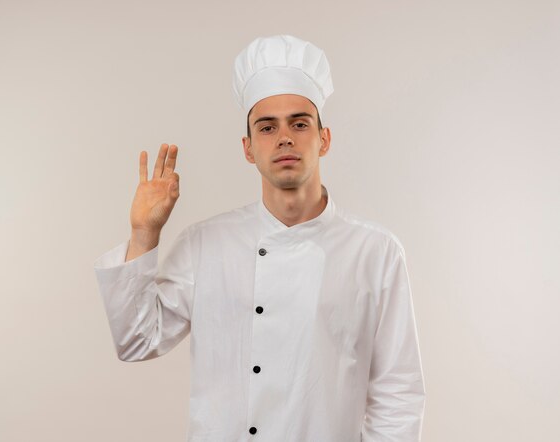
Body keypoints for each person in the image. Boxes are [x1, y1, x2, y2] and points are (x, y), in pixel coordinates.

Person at [94, 35, 425, 441]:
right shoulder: (205, 244)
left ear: (324, 139)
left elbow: (399, 392)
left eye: (299, 123)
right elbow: (136, 341)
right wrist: (144, 233)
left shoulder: (375, 252)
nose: (284, 137)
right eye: (267, 127)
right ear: (249, 148)